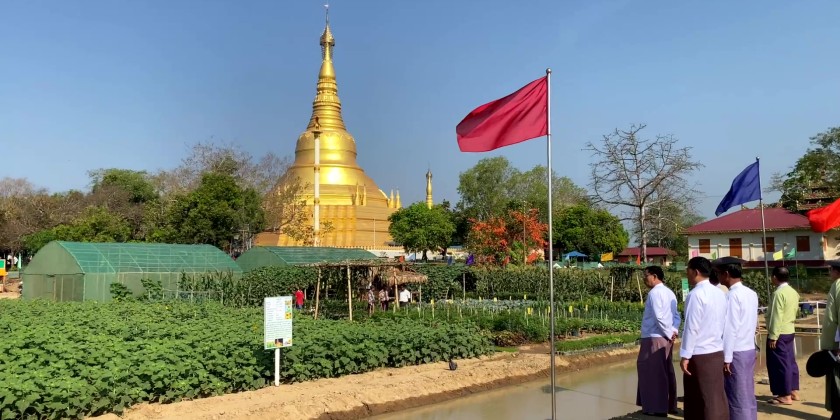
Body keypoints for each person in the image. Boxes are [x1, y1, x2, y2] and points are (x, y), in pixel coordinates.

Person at [681, 256, 729, 420]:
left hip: (700, 353)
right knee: (715, 395)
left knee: (700, 397)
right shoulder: (720, 293)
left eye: (688, 270)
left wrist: (685, 355)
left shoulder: (695, 295)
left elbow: (691, 327)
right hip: (716, 350)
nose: (687, 274)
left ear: (695, 272)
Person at [714, 257, 758, 420]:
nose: (718, 277)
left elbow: (730, 328)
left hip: (736, 350)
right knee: (746, 390)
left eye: (718, 273)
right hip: (748, 348)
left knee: (737, 393)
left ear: (726, 274)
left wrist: (727, 358)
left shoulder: (731, 296)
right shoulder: (751, 293)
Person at [636, 265, 680, 417]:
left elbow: (658, 316)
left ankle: (656, 407)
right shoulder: (669, 292)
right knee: (666, 370)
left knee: (651, 371)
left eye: (645, 275)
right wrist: (673, 331)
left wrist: (668, 332)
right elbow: (676, 316)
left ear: (654, 276)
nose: (644, 279)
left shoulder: (655, 293)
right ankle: (669, 405)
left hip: (655, 336)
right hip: (666, 337)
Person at [766, 266, 800, 405]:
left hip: (779, 332)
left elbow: (776, 315)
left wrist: (773, 335)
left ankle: (785, 394)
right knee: (790, 361)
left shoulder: (778, 293)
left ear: (774, 277)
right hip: (789, 330)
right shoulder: (793, 292)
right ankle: (793, 390)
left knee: (779, 364)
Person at [820, 260, 840, 419]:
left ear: (836, 271)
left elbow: (833, 318)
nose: (829, 273)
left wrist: (836, 346)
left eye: (830, 269)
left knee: (837, 382)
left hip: (836, 344)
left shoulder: (837, 286)